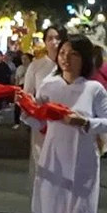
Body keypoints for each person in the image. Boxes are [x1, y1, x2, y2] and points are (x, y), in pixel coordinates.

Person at [21, 34, 107, 213]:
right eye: (63, 52)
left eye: (72, 53)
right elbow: (35, 119)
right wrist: (26, 109)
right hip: (52, 158)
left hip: (83, 161)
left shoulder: (94, 89)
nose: (65, 57)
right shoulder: (49, 86)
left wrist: (85, 122)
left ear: (83, 59)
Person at [23, 25, 65, 183]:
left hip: (64, 122)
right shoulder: (37, 65)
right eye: (50, 38)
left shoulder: (69, 65)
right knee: (41, 163)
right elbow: (26, 94)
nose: (54, 42)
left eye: (57, 38)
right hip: (42, 122)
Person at [90, 46, 107, 158]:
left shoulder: (90, 65)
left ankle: (98, 145)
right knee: (103, 119)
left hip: (90, 93)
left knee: (93, 119)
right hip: (104, 92)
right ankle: (106, 145)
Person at [12, 53, 32, 129]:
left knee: (29, 105)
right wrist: (16, 89)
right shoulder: (20, 68)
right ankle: (16, 122)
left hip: (29, 87)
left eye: (25, 59)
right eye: (22, 59)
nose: (24, 60)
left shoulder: (32, 67)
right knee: (18, 105)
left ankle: (29, 122)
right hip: (21, 86)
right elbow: (17, 79)